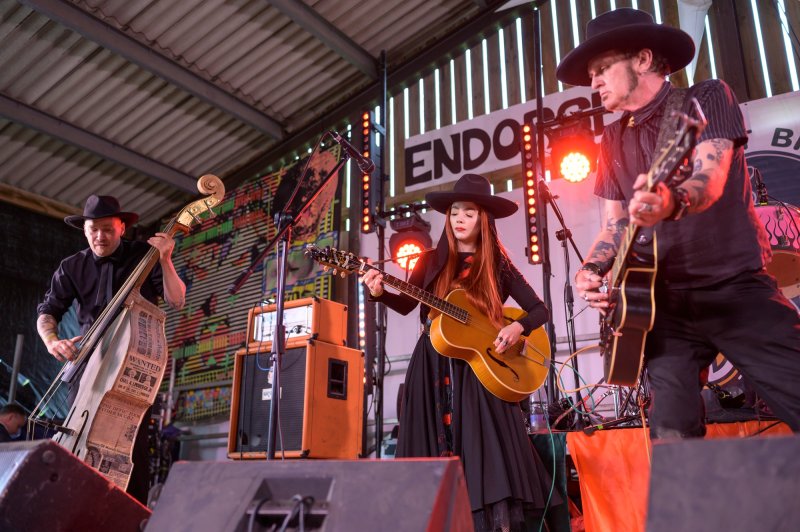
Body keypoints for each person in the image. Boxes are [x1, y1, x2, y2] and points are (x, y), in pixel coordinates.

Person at [559, 8, 800, 438]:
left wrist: (671, 201)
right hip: (663, 307)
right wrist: (591, 269)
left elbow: (709, 178)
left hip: (733, 287)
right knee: (671, 436)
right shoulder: (611, 138)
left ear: (643, 59)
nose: (593, 82)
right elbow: (615, 225)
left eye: (602, 69)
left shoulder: (704, 98)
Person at [362, 174, 559, 531]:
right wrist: (378, 292)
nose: (459, 219)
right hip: (432, 361)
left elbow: (539, 310)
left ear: (483, 219)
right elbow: (406, 304)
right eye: (454, 212)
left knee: (484, 449)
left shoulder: (499, 265)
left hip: (481, 367)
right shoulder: (429, 260)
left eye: (468, 212)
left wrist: (517, 327)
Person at [36, 194, 186, 503]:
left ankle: (132, 512)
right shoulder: (72, 266)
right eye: (93, 229)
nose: (100, 236)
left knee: (132, 443)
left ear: (121, 228)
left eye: (107, 229)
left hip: (134, 361)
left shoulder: (145, 255)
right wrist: (52, 341)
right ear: (85, 230)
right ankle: (80, 505)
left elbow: (177, 300)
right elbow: (47, 312)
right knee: (80, 434)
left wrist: (166, 260)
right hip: (88, 361)